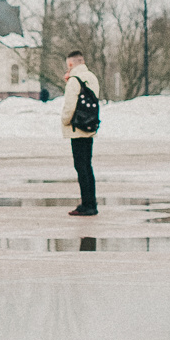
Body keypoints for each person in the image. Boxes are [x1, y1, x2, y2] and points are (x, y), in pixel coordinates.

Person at [61, 49, 102, 216]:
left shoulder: (74, 80)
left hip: (77, 128)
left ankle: (87, 204)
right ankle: (90, 201)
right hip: (89, 126)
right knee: (87, 166)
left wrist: (64, 121)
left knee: (80, 166)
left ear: (71, 63)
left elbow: (70, 106)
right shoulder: (91, 77)